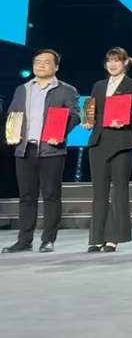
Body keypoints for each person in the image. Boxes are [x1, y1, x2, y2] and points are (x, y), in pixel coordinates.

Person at [2, 49, 81, 254]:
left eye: (46, 62)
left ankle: (48, 240)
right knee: (26, 196)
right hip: (24, 149)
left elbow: (75, 116)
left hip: (51, 149)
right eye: (37, 61)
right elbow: (12, 114)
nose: (41, 65)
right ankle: (24, 240)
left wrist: (60, 134)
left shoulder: (66, 90)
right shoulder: (22, 89)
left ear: (56, 66)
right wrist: (12, 134)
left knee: (51, 195)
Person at [85, 47, 132, 253]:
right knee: (99, 192)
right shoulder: (98, 86)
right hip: (98, 142)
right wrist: (88, 121)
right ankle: (96, 238)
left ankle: (113, 238)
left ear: (125, 63)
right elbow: (91, 111)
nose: (112, 64)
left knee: (119, 191)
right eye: (109, 60)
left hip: (122, 142)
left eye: (117, 60)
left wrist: (126, 121)